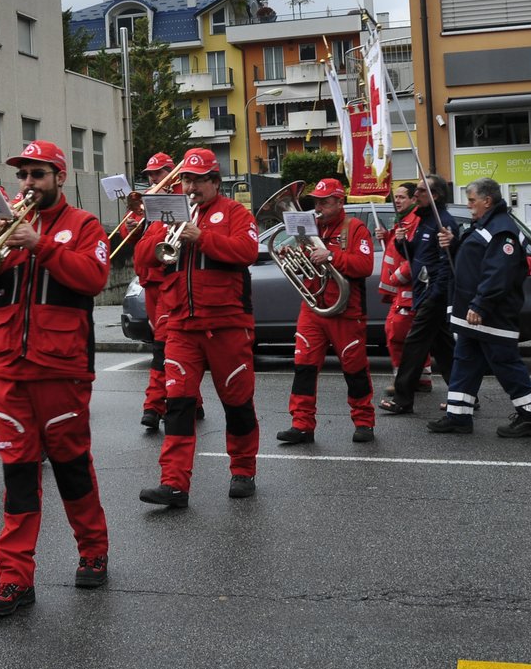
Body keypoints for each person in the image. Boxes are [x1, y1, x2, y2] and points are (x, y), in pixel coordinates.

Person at [0, 141, 111, 616]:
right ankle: (14, 578)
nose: (27, 184)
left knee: (71, 465)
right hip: (11, 372)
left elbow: (94, 277)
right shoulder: (4, 226)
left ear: (59, 177)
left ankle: (93, 550)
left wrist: (40, 246)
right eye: (22, 176)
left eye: (37, 175)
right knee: (18, 475)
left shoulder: (83, 226)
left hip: (62, 369)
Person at [140, 147, 261, 507]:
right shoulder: (172, 212)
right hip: (180, 325)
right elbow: (143, 258)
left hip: (226, 325)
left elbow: (247, 251)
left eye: (197, 180)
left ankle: (243, 470)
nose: (190, 187)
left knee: (237, 402)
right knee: (177, 406)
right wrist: (158, 229)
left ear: (214, 181)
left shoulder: (236, 213)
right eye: (186, 180)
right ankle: (174, 484)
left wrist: (202, 237)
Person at [427, 177, 531, 438]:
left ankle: (530, 417)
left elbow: (498, 273)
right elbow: (475, 261)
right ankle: (458, 416)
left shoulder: (502, 230)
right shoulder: (486, 225)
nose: (469, 206)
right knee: (465, 362)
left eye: (472, 201)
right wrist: (454, 244)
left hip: (492, 315)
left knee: (505, 363)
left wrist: (481, 304)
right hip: (475, 314)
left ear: (487, 201)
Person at [277, 177, 378, 444]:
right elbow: (303, 264)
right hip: (313, 308)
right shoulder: (308, 227)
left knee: (354, 368)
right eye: (316, 201)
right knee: (303, 367)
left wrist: (332, 256)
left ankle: (364, 421)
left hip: (346, 310)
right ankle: (301, 425)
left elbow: (365, 265)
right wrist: (292, 255)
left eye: (325, 201)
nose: (318, 206)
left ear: (339, 201)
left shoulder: (354, 227)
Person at [378, 175, 458, 415]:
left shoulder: (444, 223)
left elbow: (447, 265)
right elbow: (419, 257)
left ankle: (403, 399)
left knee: (413, 345)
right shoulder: (426, 221)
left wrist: (435, 296)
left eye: (421, 192)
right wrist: (404, 244)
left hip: (433, 295)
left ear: (435, 196)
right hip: (425, 294)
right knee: (444, 349)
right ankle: (464, 394)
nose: (415, 196)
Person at [125, 152, 176, 431]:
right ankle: (193, 402)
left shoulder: (179, 198)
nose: (152, 179)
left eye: (157, 173)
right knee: (168, 347)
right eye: (150, 175)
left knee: (164, 347)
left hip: (168, 280)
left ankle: (154, 405)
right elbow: (141, 239)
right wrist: (133, 229)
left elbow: (160, 242)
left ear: (171, 171)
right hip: (151, 282)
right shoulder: (151, 201)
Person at [377, 182, 431, 396]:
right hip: (401, 291)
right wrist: (387, 236)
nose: (396, 200)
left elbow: (416, 256)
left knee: (396, 334)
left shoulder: (416, 221)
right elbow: (401, 249)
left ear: (413, 199)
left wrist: (398, 277)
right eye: (395, 197)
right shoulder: (405, 220)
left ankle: (404, 380)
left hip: (408, 290)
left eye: (401, 197)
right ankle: (422, 378)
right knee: (414, 336)